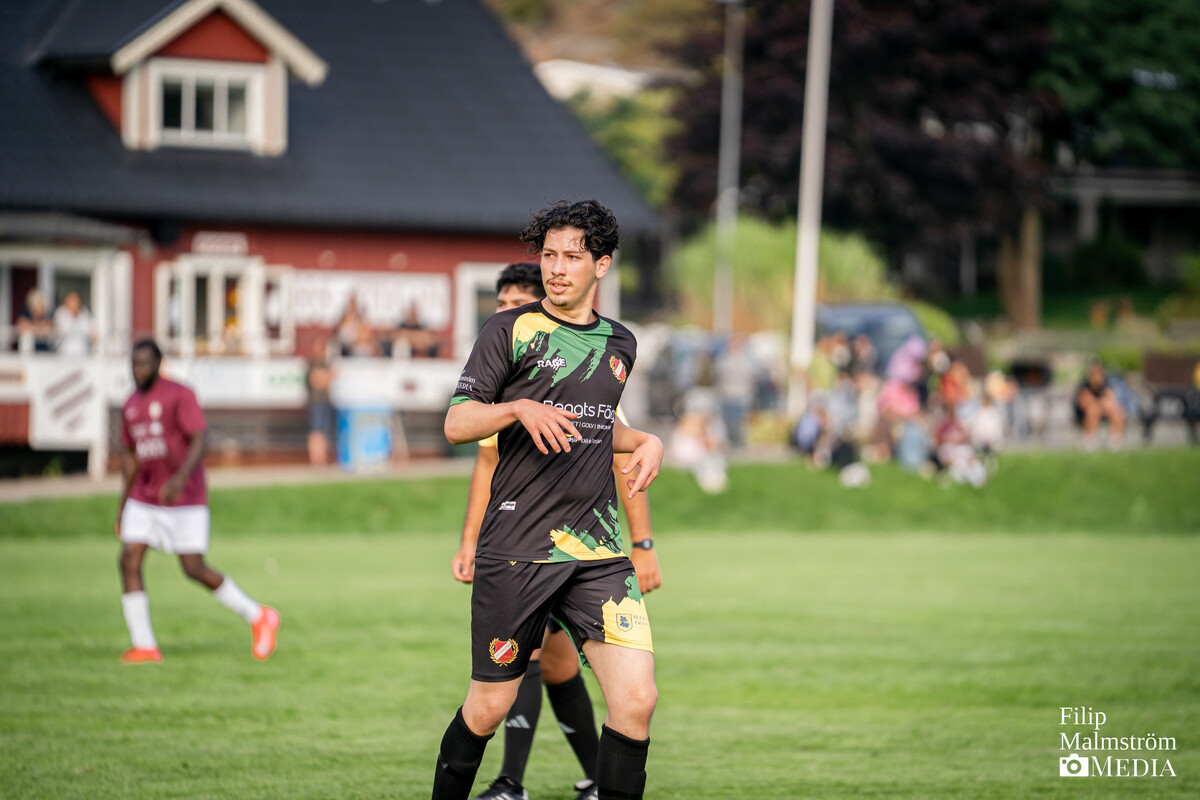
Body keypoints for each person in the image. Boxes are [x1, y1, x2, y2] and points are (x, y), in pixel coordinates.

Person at [433, 200, 664, 800]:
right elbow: (457, 422)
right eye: (549, 255)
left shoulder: (620, 343)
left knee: (637, 700)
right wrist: (517, 408)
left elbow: (598, 425)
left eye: (572, 257)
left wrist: (647, 440)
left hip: (597, 552)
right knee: (488, 707)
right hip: (518, 550)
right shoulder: (508, 330)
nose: (557, 269)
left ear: (602, 265)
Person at [114, 339, 280, 663]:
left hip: (185, 497)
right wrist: (122, 507)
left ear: (158, 364)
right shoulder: (130, 404)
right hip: (144, 497)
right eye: (134, 364)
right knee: (128, 559)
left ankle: (259, 615)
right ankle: (145, 645)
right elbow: (131, 457)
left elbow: (200, 438)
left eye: (144, 363)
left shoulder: (179, 394)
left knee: (193, 567)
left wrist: (180, 478)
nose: (138, 370)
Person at [1074, 360, 1126, 451]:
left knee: (1118, 412)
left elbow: (1112, 400)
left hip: (1103, 411)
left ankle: (1115, 441)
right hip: (1085, 414)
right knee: (1093, 410)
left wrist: (1105, 404)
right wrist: (1100, 403)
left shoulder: (1107, 385)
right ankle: (1091, 441)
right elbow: (1083, 404)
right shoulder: (1085, 386)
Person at [306, 335, 337, 465]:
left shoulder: (325, 363)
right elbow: (316, 381)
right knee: (316, 430)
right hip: (317, 402)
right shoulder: (314, 363)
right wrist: (328, 376)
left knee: (324, 431)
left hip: (325, 401)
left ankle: (322, 457)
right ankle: (316, 458)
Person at [53, 290, 95, 356]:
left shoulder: (84, 313)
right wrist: (73, 315)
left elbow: (88, 330)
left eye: (76, 300)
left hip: (83, 350)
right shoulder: (61, 313)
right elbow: (64, 330)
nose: (74, 302)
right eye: (72, 300)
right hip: (65, 351)